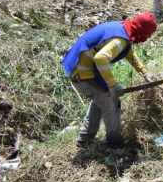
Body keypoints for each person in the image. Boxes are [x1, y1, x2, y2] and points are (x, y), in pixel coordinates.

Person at [61, 12, 157, 148]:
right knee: (111, 101)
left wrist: (144, 72)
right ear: (142, 32)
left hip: (83, 67)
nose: (148, 38)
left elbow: (128, 52)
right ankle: (114, 142)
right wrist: (113, 85)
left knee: (101, 99)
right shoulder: (120, 39)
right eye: (148, 34)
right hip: (81, 71)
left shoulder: (123, 28)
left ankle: (85, 139)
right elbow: (101, 58)